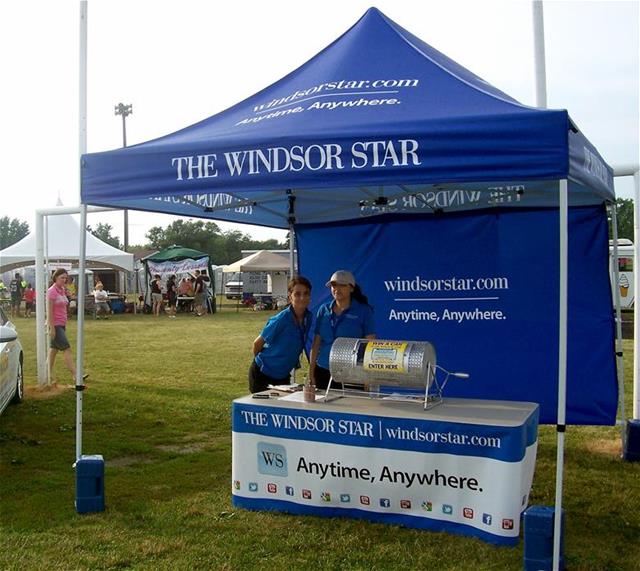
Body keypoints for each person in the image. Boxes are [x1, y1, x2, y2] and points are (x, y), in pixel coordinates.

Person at [309, 270, 375, 390]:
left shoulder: (364, 311)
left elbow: (370, 344)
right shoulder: (323, 310)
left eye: (342, 285)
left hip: (351, 371)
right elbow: (316, 343)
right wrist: (311, 372)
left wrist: (367, 377)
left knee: (351, 407)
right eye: (334, 285)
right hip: (323, 370)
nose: (337, 289)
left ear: (351, 288)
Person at [249, 276, 313, 393]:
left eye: (306, 293)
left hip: (283, 376)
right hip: (263, 375)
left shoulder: (309, 318)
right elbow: (257, 344)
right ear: (290, 297)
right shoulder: (282, 319)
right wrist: (265, 364)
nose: (302, 297)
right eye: (297, 294)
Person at [47, 268, 88, 385]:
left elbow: (65, 304)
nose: (64, 280)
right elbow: (49, 311)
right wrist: (52, 328)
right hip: (55, 324)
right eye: (62, 278)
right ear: (55, 278)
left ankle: (47, 374)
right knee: (67, 349)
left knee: (53, 351)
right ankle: (76, 375)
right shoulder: (52, 291)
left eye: (66, 278)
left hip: (62, 323)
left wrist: (69, 295)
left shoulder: (62, 290)